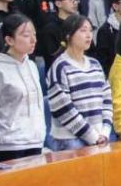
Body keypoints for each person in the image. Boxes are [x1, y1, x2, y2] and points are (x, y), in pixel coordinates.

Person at [0, 13, 46, 159]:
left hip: (35, 141)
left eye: (34, 34)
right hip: (7, 145)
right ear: (9, 40)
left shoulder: (32, 66)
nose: (33, 40)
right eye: (26, 35)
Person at [46, 14, 113, 149]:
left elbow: (107, 99)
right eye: (83, 31)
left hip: (100, 136)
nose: (88, 35)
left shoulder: (95, 64)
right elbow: (63, 110)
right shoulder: (60, 67)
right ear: (68, 35)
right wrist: (91, 136)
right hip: (71, 139)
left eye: (90, 30)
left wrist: (105, 130)